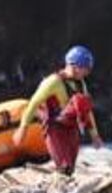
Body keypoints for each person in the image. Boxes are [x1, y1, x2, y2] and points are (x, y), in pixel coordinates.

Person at [17, 45, 103, 176]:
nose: (87, 72)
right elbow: (33, 103)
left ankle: (63, 187)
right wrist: (23, 128)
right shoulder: (53, 82)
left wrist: (94, 135)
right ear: (73, 66)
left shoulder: (81, 83)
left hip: (71, 127)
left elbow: (87, 110)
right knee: (64, 167)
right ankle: (56, 191)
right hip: (54, 127)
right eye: (85, 69)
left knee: (70, 169)